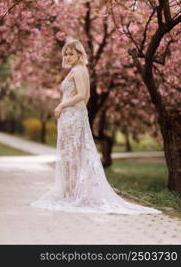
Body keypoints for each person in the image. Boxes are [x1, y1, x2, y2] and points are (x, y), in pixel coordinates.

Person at [31, 39, 162, 215]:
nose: (67, 57)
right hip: (72, 115)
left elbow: (84, 95)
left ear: (79, 54)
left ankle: (73, 194)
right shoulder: (78, 70)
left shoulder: (78, 70)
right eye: (65, 54)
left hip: (72, 115)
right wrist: (73, 110)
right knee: (70, 155)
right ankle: (71, 192)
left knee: (72, 155)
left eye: (71, 53)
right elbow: (85, 97)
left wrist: (62, 106)